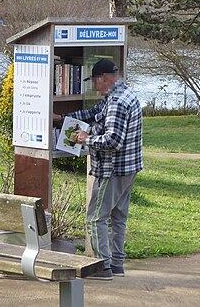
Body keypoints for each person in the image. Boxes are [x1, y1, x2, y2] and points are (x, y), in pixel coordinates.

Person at [54, 59, 143, 280]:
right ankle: (117, 264)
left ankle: (102, 267)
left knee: (95, 218)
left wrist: (86, 139)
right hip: (128, 168)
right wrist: (63, 119)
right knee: (118, 216)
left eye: (95, 81)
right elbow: (94, 113)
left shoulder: (117, 103)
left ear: (104, 78)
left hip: (111, 170)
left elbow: (113, 141)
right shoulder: (121, 95)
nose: (94, 86)